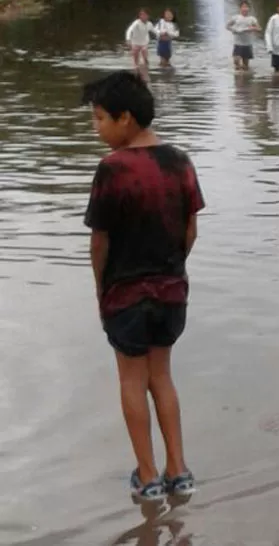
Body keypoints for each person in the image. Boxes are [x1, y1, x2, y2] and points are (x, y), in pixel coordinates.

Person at [81, 71, 205, 502]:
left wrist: (102, 292)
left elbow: (100, 241)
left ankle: (149, 476)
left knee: (132, 380)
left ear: (126, 118)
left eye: (99, 119)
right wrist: (174, 270)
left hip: (126, 295)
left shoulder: (112, 169)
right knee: (162, 377)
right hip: (172, 292)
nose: (96, 128)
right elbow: (190, 230)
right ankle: (180, 469)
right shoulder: (180, 161)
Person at [227, 1, 261, 71]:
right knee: (236, 61)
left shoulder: (252, 19)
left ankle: (245, 78)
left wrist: (253, 28)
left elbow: (259, 29)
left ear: (249, 9)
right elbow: (227, 26)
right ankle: (238, 75)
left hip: (247, 44)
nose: (245, 9)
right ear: (240, 8)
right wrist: (235, 29)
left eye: (246, 7)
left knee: (245, 66)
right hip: (238, 44)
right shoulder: (235, 17)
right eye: (243, 7)